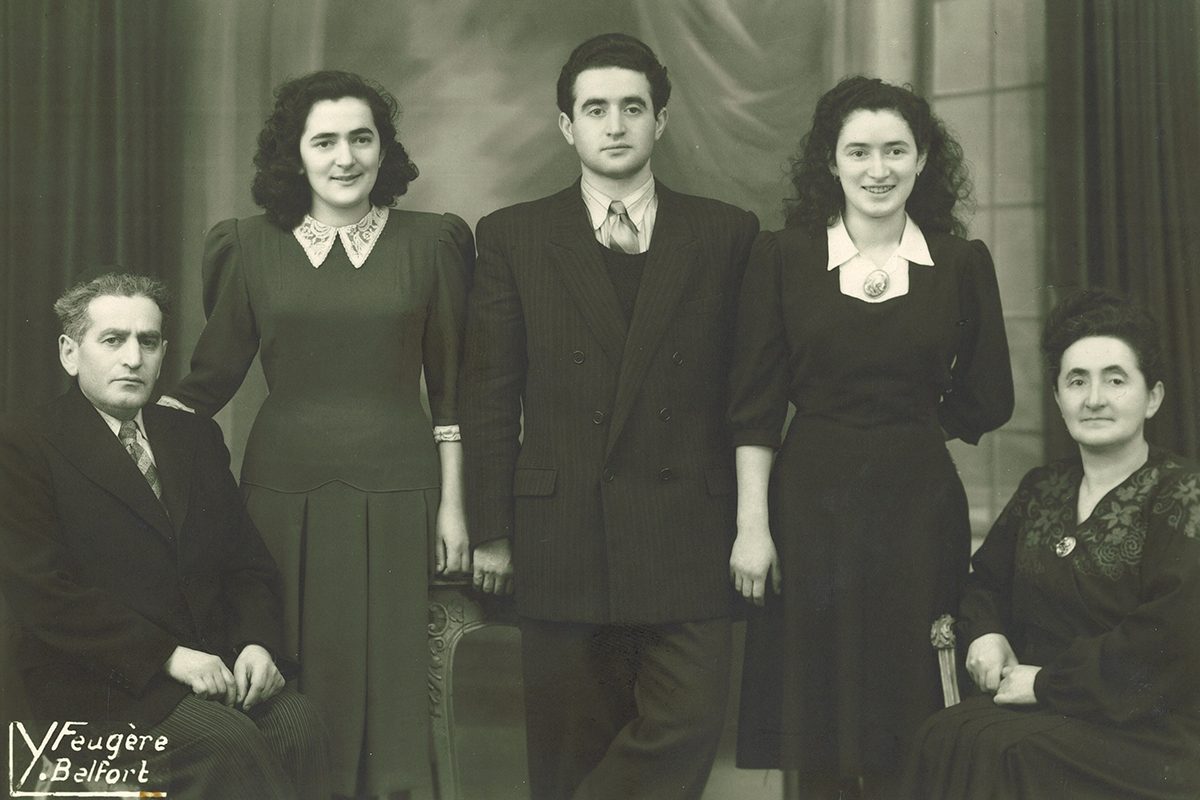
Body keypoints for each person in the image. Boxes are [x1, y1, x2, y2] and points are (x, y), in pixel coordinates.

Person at [459, 32, 759, 800]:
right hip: (562, 531)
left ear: (663, 121)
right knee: (568, 756)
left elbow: (747, 391)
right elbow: (490, 391)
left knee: (685, 727)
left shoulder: (727, 233)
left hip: (688, 527)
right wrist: (491, 527)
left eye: (634, 107)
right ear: (567, 127)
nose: (616, 124)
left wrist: (753, 521)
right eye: (596, 109)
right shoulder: (513, 236)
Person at [159, 70, 473, 798]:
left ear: (383, 150)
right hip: (280, 494)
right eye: (324, 140)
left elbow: (453, 391)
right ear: (293, 155)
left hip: (402, 488)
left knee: (394, 682)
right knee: (291, 675)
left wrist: (455, 506)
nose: (345, 157)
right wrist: (113, 449)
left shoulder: (434, 243)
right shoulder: (246, 246)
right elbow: (208, 383)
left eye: (361, 138)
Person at [728, 75, 1014, 797]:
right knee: (815, 720)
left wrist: (911, 432)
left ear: (922, 161)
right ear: (830, 162)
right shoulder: (783, 258)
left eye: (896, 151)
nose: (877, 169)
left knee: (909, 709)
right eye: (858, 152)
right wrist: (752, 526)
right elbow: (755, 406)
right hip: (806, 508)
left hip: (917, 512)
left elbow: (991, 395)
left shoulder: (958, 263)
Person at [0, 272, 328, 800]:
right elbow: (43, 595)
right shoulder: (25, 443)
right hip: (95, 687)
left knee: (298, 725)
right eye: (113, 340)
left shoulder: (193, 436)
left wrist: (256, 644)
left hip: (209, 670)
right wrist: (166, 656)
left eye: (147, 342)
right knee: (225, 743)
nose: (133, 358)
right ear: (69, 352)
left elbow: (245, 564)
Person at [902, 290, 1200, 799]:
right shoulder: (1043, 489)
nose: (1095, 399)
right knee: (941, 734)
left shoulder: (1184, 496)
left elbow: (1166, 644)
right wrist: (985, 634)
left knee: (1009, 754)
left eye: (1116, 379)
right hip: (1039, 708)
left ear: (1153, 397)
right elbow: (985, 582)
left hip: (1150, 726)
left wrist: (1044, 684)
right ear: (1059, 397)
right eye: (1077, 381)